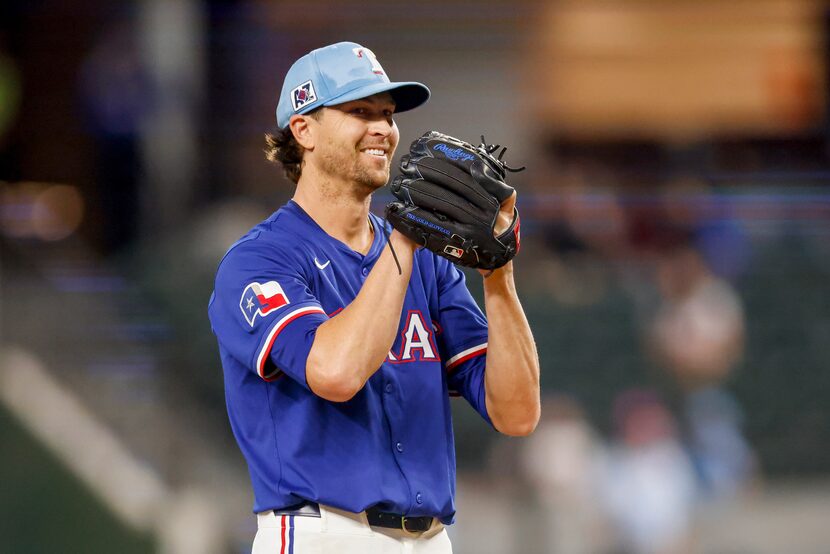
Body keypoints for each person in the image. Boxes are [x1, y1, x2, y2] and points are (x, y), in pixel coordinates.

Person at [208, 41, 540, 553]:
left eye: (388, 114)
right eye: (359, 111)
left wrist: (498, 272)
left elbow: (516, 414)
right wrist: (406, 234)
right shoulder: (259, 261)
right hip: (324, 533)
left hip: (432, 539)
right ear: (304, 129)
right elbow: (335, 373)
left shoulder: (425, 264)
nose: (383, 128)